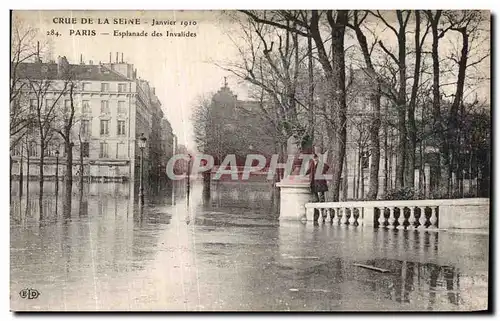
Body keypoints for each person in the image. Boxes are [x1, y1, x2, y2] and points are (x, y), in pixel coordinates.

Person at [306, 154, 330, 222]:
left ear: (317, 158)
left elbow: (327, 167)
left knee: (321, 197)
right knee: (315, 197)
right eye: (313, 158)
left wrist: (322, 172)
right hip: (314, 182)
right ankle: (317, 213)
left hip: (320, 182)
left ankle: (323, 212)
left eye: (315, 158)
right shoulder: (312, 164)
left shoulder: (321, 164)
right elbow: (308, 171)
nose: (314, 159)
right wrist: (304, 174)